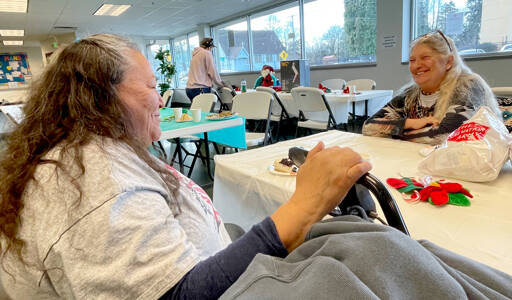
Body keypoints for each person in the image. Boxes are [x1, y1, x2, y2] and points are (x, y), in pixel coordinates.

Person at [0, 34, 371, 299]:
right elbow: (179, 293)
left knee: (345, 243)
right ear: (100, 99)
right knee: (363, 255)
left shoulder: (90, 154)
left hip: (204, 253)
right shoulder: (96, 182)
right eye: (150, 86)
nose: (160, 97)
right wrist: (305, 205)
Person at [362, 30, 501, 145]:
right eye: (412, 60)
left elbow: (446, 135)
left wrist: (394, 131)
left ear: (448, 62)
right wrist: (409, 123)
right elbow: (369, 126)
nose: (416, 66)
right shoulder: (410, 94)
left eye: (425, 57)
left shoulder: (468, 86)